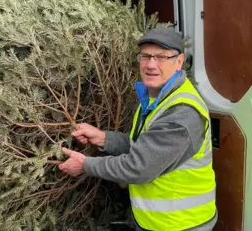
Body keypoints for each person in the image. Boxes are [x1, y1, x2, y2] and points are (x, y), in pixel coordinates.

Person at [58, 27, 218, 231]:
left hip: (182, 224)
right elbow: (142, 145)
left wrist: (86, 165)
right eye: (146, 56)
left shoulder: (182, 113)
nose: (151, 64)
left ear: (179, 62)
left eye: (161, 57)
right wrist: (103, 138)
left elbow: (139, 166)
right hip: (158, 222)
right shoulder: (155, 98)